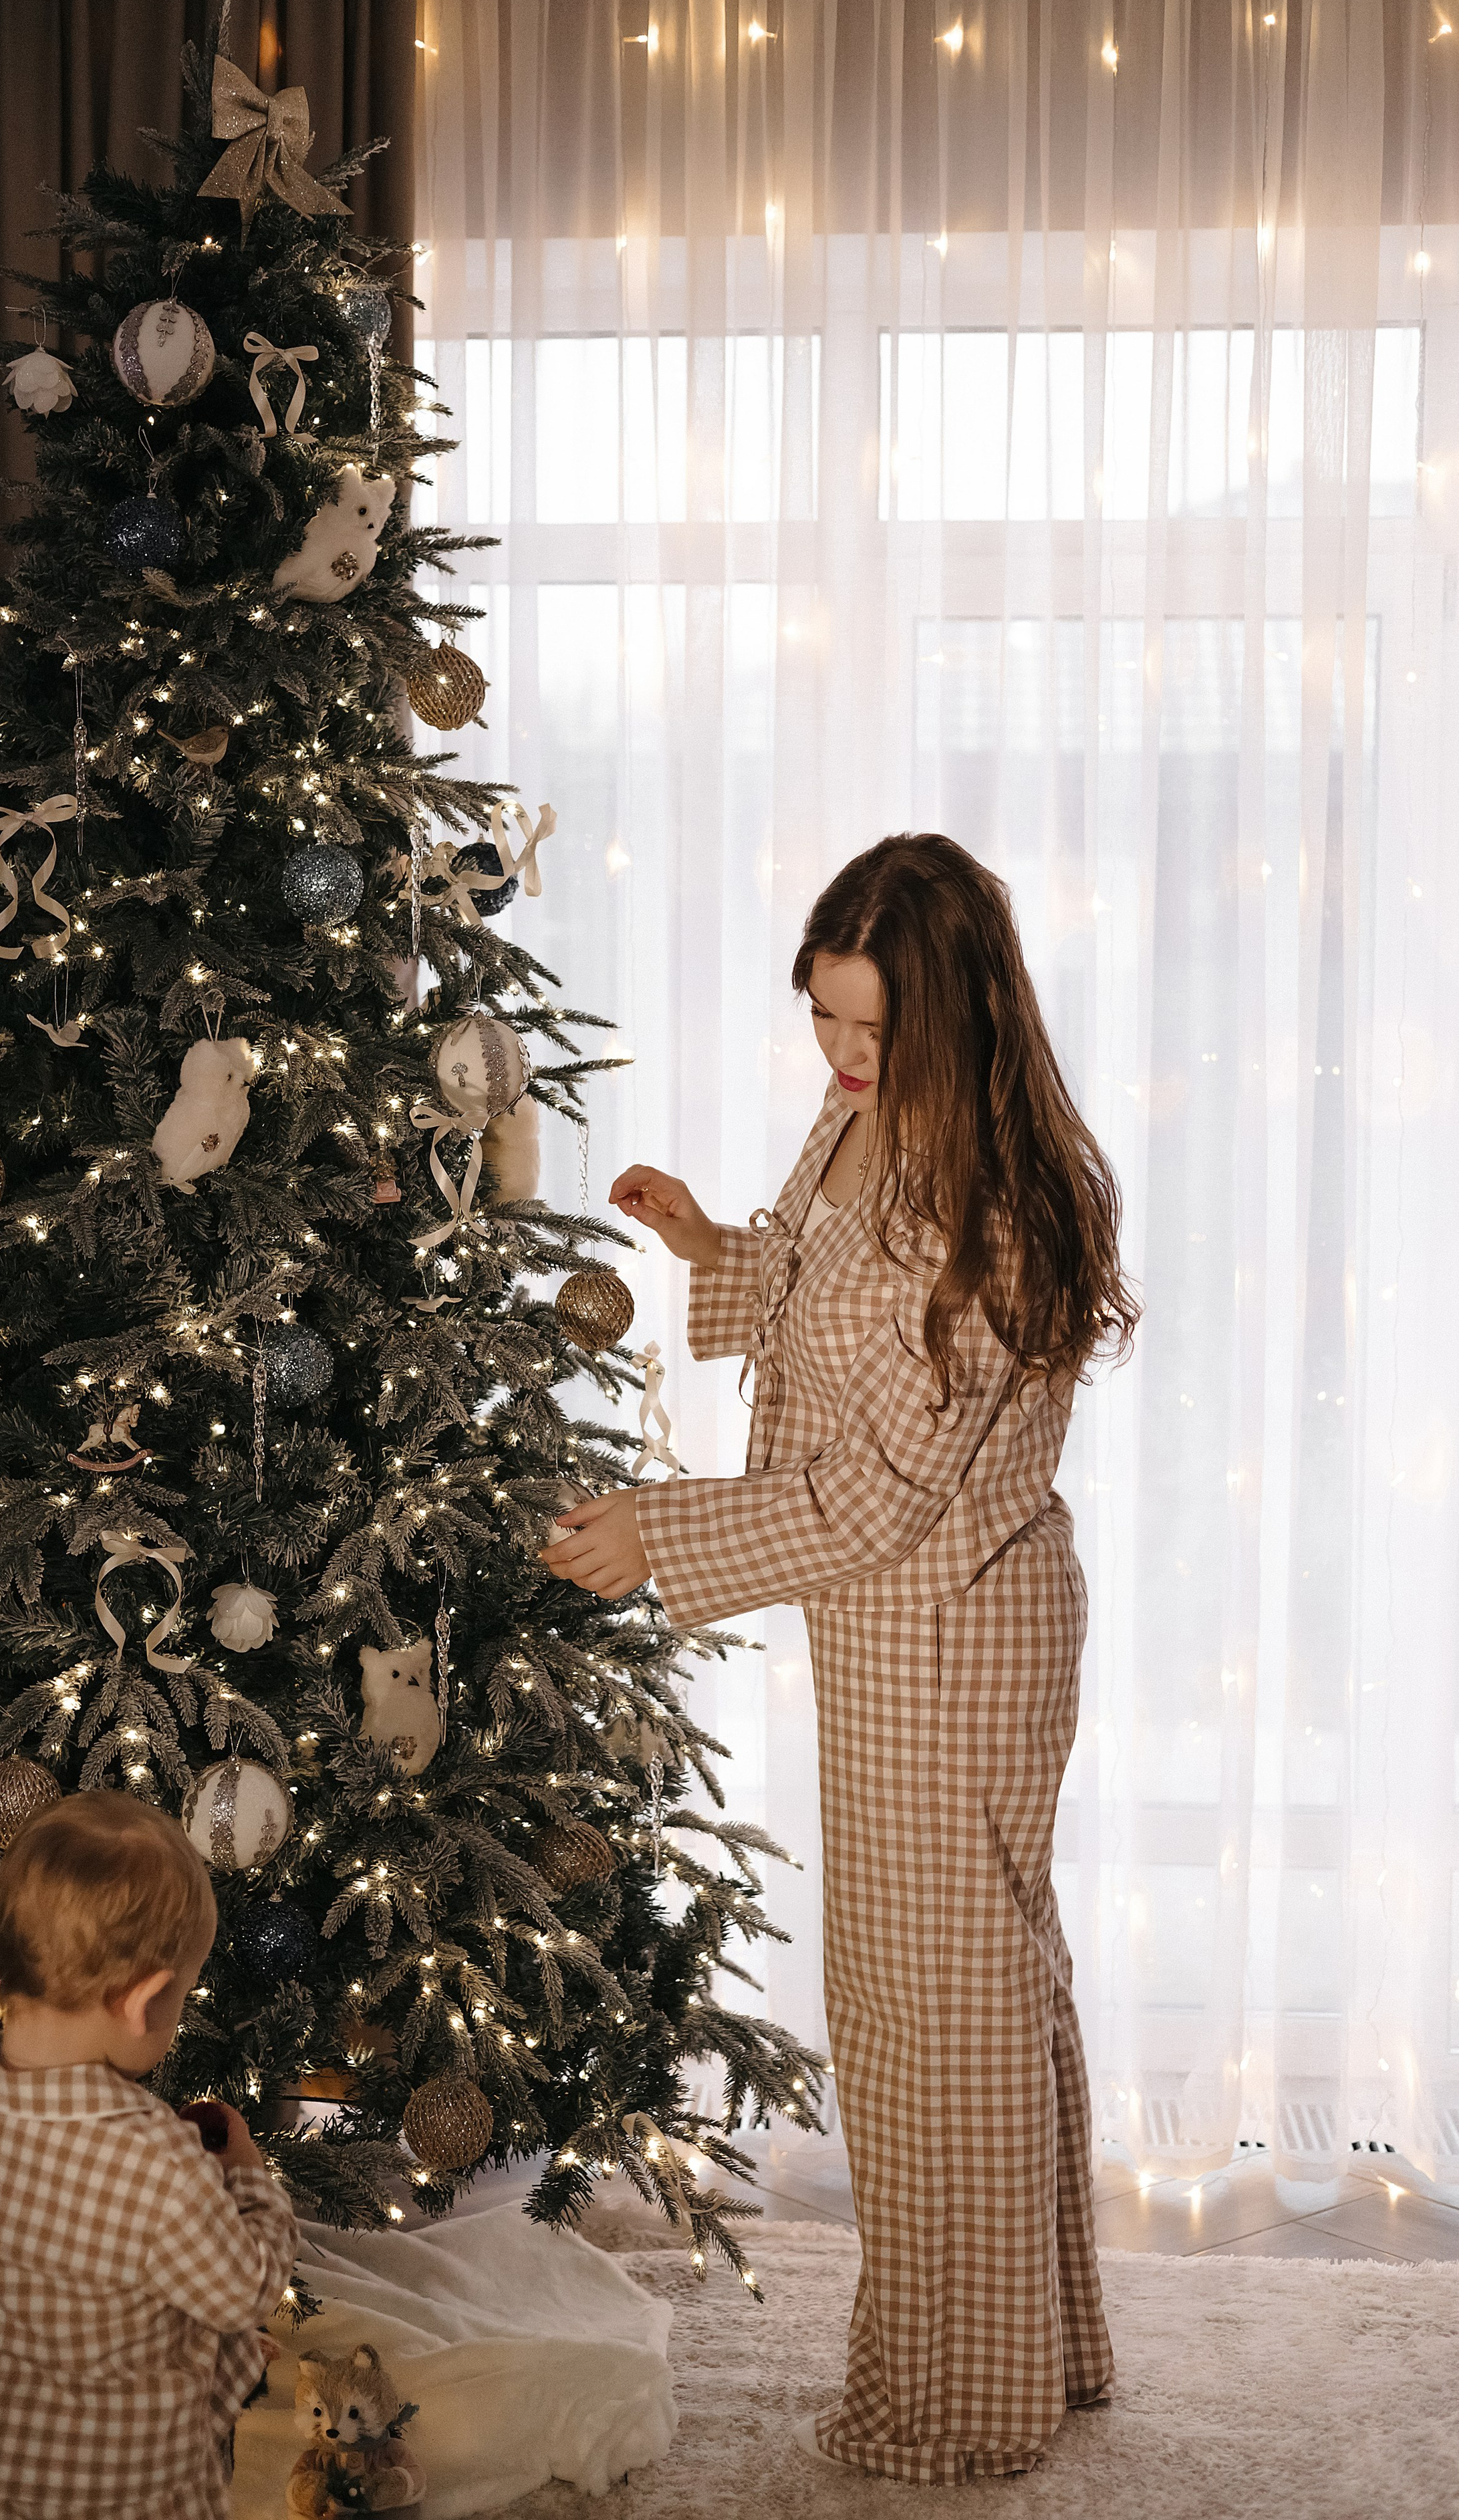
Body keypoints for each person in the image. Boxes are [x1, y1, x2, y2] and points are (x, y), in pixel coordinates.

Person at [544, 832, 1138, 2485]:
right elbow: (829, 1301)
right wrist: (705, 1247)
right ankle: (1040, 2350)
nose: (842, 1051)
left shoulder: (991, 1201)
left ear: (959, 1011)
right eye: (821, 1014)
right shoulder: (871, 1117)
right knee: (973, 1996)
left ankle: (961, 2401)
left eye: (872, 1024)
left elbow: (879, 1485)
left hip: (949, 1629)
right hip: (899, 1620)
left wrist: (656, 1531)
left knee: (932, 2025)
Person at [0, 1789, 297, 2520]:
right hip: (136, 2496)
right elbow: (242, 2292)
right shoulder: (157, 2164)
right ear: (145, 2001)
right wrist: (246, 2177)